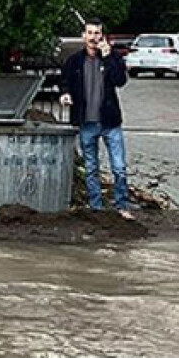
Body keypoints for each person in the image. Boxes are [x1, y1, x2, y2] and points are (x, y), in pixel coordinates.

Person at [60, 18, 134, 219]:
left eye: (97, 33)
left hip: (110, 122)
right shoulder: (74, 61)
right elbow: (64, 82)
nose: (94, 37)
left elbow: (120, 81)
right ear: (84, 36)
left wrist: (109, 57)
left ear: (103, 36)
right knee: (91, 168)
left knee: (119, 167)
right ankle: (96, 208)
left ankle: (122, 206)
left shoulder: (113, 58)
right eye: (90, 33)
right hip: (86, 122)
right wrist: (65, 94)